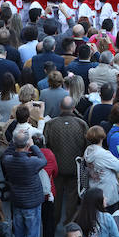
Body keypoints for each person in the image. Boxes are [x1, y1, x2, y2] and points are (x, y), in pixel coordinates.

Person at [2, 128, 47, 237]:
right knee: (32, 235)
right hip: (32, 203)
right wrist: (32, 145)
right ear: (26, 144)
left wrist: (14, 142)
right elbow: (43, 160)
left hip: (17, 201)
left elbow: (6, 154)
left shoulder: (8, 160)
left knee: (19, 234)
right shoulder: (32, 162)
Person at [44, 95, 88, 225]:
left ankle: (54, 221)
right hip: (75, 168)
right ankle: (69, 224)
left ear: (60, 107)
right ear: (73, 108)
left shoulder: (50, 124)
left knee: (56, 197)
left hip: (56, 168)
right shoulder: (81, 124)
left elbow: (46, 145)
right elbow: (87, 146)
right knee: (72, 198)